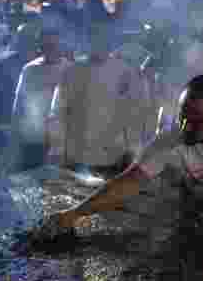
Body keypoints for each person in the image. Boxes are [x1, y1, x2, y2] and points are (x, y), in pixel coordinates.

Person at [42, 74, 203, 230]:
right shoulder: (172, 139)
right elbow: (129, 182)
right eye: (183, 117)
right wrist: (74, 213)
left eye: (197, 120)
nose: (186, 128)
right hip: (199, 213)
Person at [47, 23, 150, 175]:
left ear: (111, 42)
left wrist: (134, 152)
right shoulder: (72, 72)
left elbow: (135, 115)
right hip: (75, 157)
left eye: (103, 39)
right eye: (94, 38)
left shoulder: (126, 73)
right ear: (86, 41)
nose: (98, 44)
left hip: (113, 158)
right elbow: (57, 113)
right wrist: (57, 149)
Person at [11, 26, 71, 170]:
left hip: (59, 140)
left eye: (53, 45)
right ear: (40, 46)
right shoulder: (30, 70)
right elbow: (19, 104)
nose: (50, 48)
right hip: (34, 138)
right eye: (46, 45)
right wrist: (15, 134)